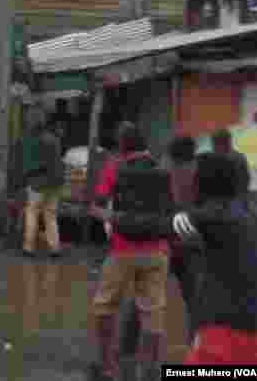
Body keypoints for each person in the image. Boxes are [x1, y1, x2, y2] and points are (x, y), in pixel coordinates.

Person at [102, 153, 257, 365]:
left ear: (204, 182)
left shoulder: (210, 216)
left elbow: (155, 226)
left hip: (223, 333)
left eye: (193, 177)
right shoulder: (251, 215)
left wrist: (109, 216)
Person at [87, 122, 170, 381]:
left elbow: (98, 203)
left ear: (122, 146)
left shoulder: (114, 167)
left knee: (105, 306)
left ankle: (107, 368)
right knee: (153, 311)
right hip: (157, 250)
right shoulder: (161, 170)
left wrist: (103, 213)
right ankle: (150, 370)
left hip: (122, 250)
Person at [165, 136, 202, 344]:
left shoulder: (166, 173)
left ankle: (129, 353)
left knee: (145, 299)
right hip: (191, 242)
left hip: (168, 242)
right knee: (194, 300)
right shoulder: (200, 174)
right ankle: (196, 346)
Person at [21, 116, 65, 258]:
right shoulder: (54, 140)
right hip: (54, 183)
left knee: (32, 213)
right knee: (51, 216)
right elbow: (58, 161)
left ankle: (29, 247)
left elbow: (29, 164)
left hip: (38, 183)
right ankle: (55, 248)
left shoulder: (32, 141)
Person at [211, 128, 251, 200]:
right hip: (233, 200)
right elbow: (246, 181)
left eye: (215, 142)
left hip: (228, 200)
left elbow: (245, 181)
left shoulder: (208, 159)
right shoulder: (239, 157)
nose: (213, 145)